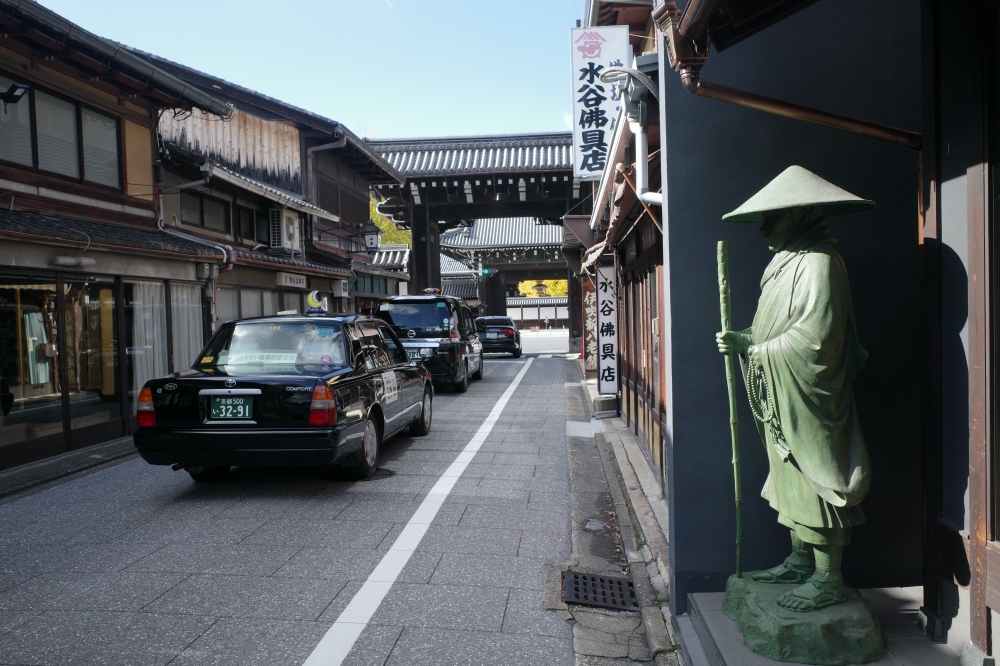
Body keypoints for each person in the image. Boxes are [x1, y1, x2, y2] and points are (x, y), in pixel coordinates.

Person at [715, 166, 872, 612]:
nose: (764, 227)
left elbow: (817, 337)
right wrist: (745, 339)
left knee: (815, 476)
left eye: (773, 217)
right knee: (788, 478)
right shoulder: (786, 260)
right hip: (781, 391)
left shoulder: (820, 262)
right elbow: (779, 325)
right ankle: (802, 560)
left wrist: (757, 350)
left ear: (801, 214)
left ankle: (828, 578)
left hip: (809, 391)